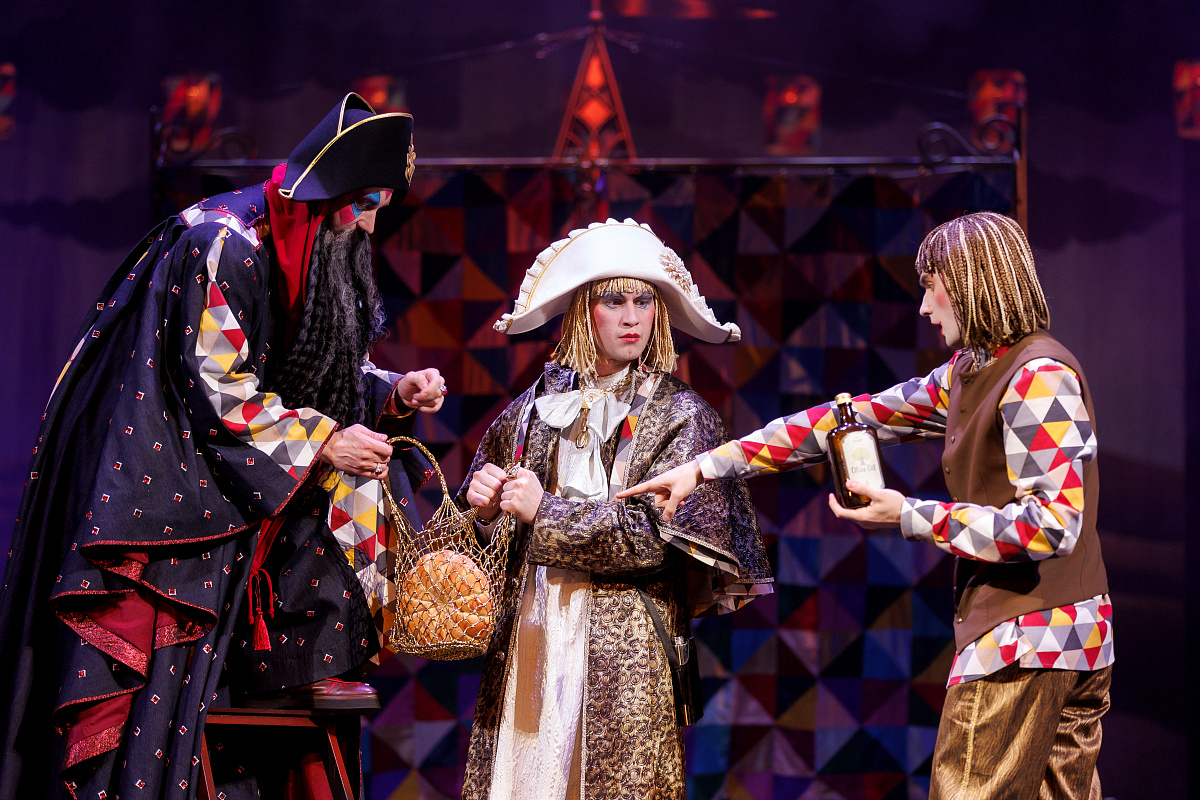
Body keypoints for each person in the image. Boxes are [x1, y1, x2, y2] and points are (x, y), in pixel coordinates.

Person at [0, 93, 446, 800]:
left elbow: (303, 369)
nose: (369, 226)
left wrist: (391, 391)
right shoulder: (224, 243)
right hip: (167, 484)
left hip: (232, 484)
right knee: (156, 715)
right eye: (365, 206)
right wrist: (325, 441)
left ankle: (312, 661)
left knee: (366, 483)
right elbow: (220, 384)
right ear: (330, 198)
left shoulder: (300, 247)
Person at [621, 212, 1113, 800]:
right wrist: (706, 467)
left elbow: (1050, 526)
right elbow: (845, 420)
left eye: (932, 287)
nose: (925, 308)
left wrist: (909, 514)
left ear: (970, 283)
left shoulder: (1038, 376)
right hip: (1059, 638)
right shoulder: (969, 373)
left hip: (1030, 638)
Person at [457, 219, 772, 800]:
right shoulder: (533, 409)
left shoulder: (681, 415)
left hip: (625, 645)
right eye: (614, 302)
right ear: (584, 312)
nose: (632, 318)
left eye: (643, 302)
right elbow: (474, 549)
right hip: (532, 638)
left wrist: (544, 512)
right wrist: (483, 511)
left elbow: (655, 537)